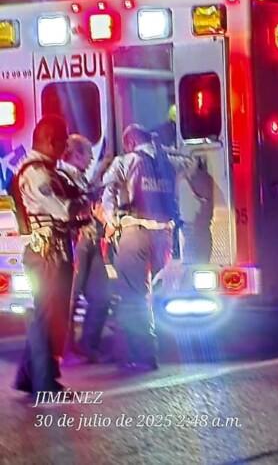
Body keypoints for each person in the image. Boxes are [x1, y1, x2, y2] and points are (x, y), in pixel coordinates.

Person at [101, 124, 199, 371]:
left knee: (132, 296)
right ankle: (158, 347)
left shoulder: (126, 161)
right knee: (152, 292)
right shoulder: (169, 162)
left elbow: (108, 191)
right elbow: (192, 164)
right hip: (163, 237)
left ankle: (142, 354)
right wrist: (163, 149)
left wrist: (111, 222)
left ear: (130, 143)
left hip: (135, 233)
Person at [11, 116, 89, 395]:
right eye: (62, 141)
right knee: (48, 316)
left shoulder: (47, 170)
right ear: (48, 140)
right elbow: (63, 210)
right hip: (48, 254)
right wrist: (86, 201)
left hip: (53, 252)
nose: (65, 147)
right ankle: (44, 382)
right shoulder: (37, 173)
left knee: (49, 314)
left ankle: (29, 376)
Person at [60, 134, 110, 364]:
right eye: (89, 153)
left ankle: (89, 345)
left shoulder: (80, 178)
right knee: (70, 297)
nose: (91, 158)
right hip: (76, 241)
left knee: (101, 295)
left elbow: (88, 197)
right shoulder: (62, 177)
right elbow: (74, 205)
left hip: (91, 240)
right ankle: (65, 349)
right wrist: (98, 177)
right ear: (76, 154)